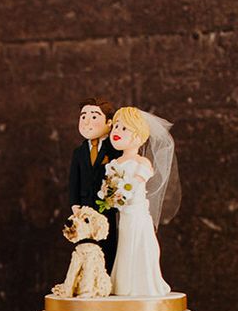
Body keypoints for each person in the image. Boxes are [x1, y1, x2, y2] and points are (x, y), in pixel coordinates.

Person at [106, 107, 178, 296]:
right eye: (116, 126)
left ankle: (143, 284)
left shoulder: (142, 163)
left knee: (143, 245)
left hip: (137, 213)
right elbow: (109, 189)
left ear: (139, 135)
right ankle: (123, 285)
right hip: (124, 214)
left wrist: (121, 194)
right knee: (125, 246)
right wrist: (111, 196)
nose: (117, 132)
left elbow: (135, 185)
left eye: (124, 128)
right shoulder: (114, 164)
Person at [68, 98, 121, 272]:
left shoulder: (114, 149)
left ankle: (107, 276)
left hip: (107, 208)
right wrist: (75, 204)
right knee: (85, 243)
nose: (87, 122)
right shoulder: (79, 152)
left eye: (94, 117)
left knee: (108, 241)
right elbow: (74, 180)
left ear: (109, 122)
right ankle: (87, 276)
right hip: (84, 207)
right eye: (83, 117)